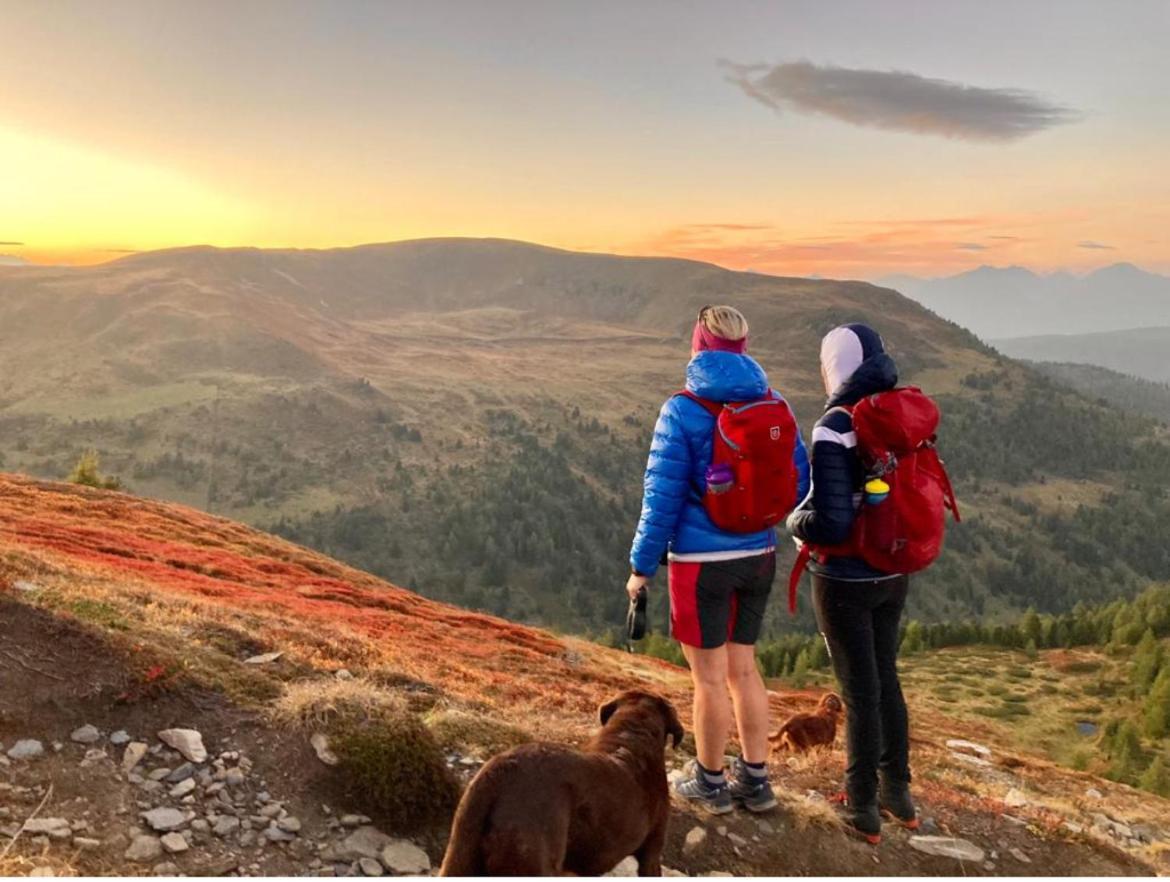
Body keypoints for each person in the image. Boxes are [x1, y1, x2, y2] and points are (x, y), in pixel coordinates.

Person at [626, 305, 809, 814]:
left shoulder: (681, 410)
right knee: (744, 670)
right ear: (743, 348)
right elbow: (801, 481)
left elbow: (659, 498)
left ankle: (709, 782)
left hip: (700, 564)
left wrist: (641, 567)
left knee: (707, 678)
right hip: (759, 554)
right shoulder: (777, 405)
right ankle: (755, 780)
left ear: (699, 345)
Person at [786, 323, 916, 843]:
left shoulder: (835, 424)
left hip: (844, 577)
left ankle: (861, 805)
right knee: (886, 678)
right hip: (893, 569)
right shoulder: (899, 412)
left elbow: (834, 522)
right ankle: (898, 792)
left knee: (859, 692)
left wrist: (796, 523)